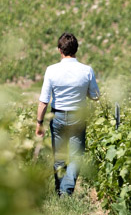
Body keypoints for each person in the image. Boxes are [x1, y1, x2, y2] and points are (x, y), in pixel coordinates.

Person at [36, 32, 100, 196]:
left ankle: (61, 190)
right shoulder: (87, 70)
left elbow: (44, 100)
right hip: (77, 116)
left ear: (59, 50)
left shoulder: (51, 70)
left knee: (59, 156)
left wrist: (39, 123)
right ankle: (67, 190)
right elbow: (95, 96)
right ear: (76, 50)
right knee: (76, 156)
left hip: (57, 116)